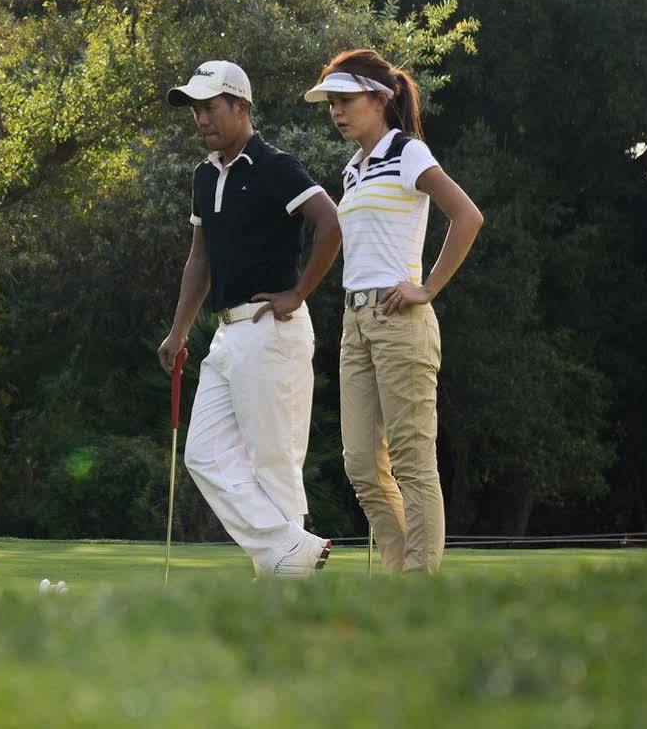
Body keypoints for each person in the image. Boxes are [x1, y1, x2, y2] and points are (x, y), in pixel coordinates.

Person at [158, 60, 342, 576]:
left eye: (210, 107)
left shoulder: (276, 166)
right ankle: (292, 551)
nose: (201, 119)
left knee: (274, 463)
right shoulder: (203, 174)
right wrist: (178, 331)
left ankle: (287, 580)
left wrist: (299, 292)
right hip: (226, 335)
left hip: (272, 330)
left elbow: (330, 223)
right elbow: (200, 260)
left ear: (241, 105)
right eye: (195, 110)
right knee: (203, 453)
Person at [305, 49, 484, 574]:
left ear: (381, 98)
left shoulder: (407, 152)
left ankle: (418, 587)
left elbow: (466, 216)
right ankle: (401, 576)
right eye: (331, 103)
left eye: (346, 100)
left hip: (399, 320)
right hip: (354, 323)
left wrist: (426, 288)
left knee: (411, 463)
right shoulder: (353, 170)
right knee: (361, 464)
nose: (337, 111)